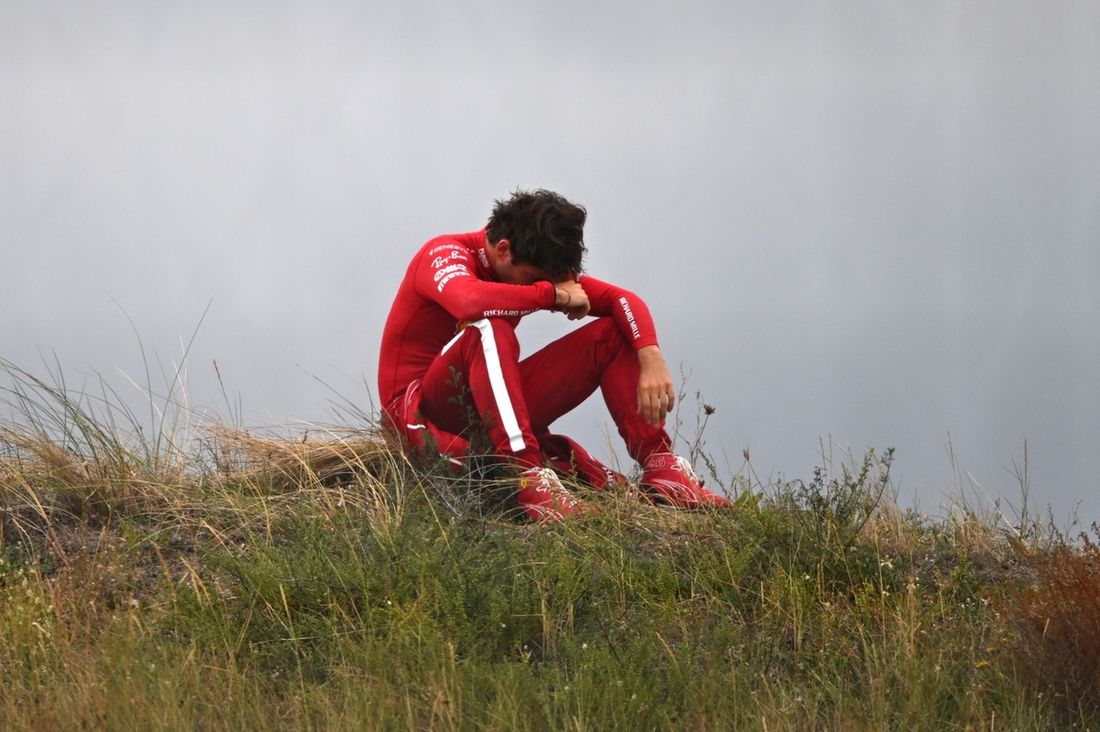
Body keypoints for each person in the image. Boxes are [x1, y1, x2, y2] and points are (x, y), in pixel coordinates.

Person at [377, 189, 730, 521]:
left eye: (545, 282)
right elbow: (469, 301)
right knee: (490, 326)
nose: (538, 287)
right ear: (503, 250)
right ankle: (528, 477)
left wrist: (650, 356)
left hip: (484, 404)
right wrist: (551, 295)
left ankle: (661, 466)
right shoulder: (444, 252)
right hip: (424, 409)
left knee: (610, 334)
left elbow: (620, 300)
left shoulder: (529, 267)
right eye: (531, 278)